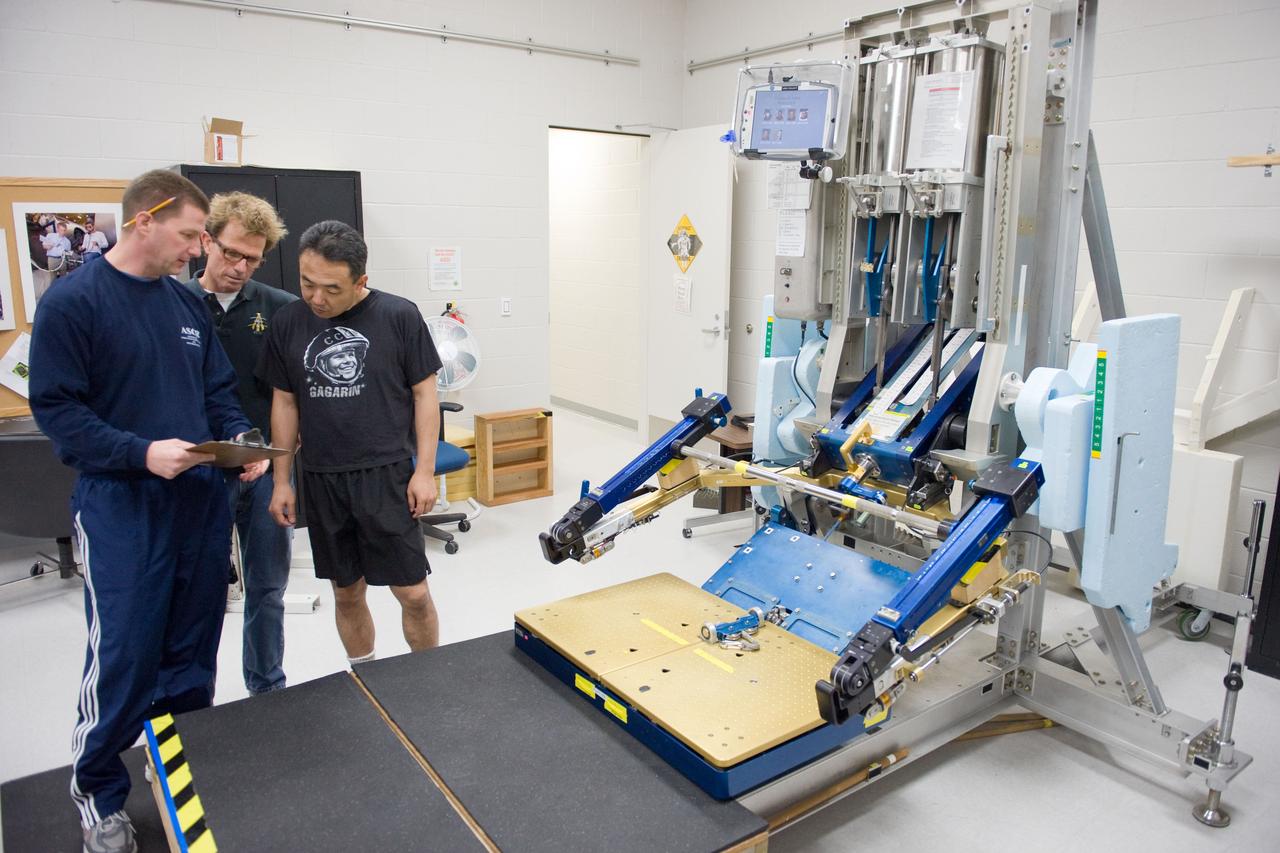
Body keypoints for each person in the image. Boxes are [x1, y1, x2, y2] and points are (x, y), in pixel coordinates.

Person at [29, 169, 252, 853]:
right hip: (122, 508)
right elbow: (58, 413)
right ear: (143, 220)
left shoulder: (186, 308)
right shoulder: (75, 302)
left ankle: (173, 774)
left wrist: (242, 440)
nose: (197, 250)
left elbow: (219, 390)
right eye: (190, 235)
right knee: (126, 654)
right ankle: (99, 792)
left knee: (190, 656)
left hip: (198, 506)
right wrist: (139, 451)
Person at [258, 220, 443, 666]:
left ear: (361, 280)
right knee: (346, 592)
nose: (317, 298)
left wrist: (423, 471)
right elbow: (284, 404)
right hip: (323, 478)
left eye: (331, 289)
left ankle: (431, 676)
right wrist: (282, 481)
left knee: (413, 593)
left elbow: (425, 395)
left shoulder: (398, 316)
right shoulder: (287, 322)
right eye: (307, 283)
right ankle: (367, 678)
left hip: (386, 475)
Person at [184, 191, 295, 696]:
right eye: (230, 253)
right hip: (196, 473)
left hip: (262, 469)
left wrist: (271, 457)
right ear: (207, 240)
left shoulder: (280, 310)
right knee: (198, 593)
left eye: (251, 258)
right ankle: (193, 698)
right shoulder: (176, 305)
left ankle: (266, 688)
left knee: (267, 589)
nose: (238, 267)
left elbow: (290, 396)